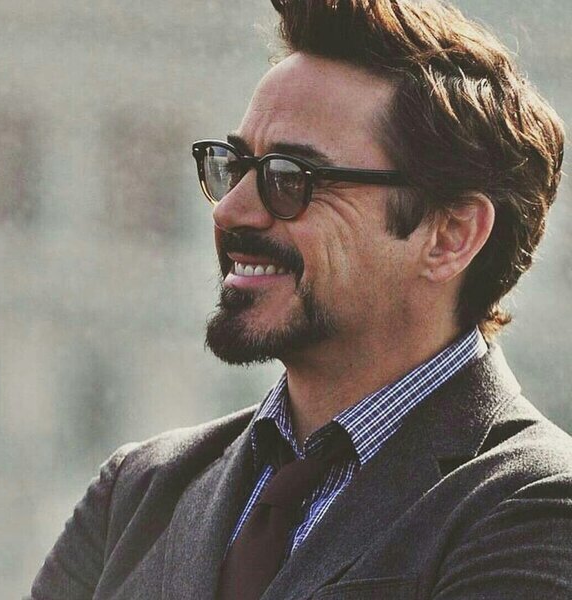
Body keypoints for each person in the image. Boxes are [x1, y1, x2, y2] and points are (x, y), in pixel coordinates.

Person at [29, 1, 572, 598]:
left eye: (290, 179)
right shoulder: (137, 494)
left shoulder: (538, 506)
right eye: (234, 167)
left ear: (450, 236)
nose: (230, 210)